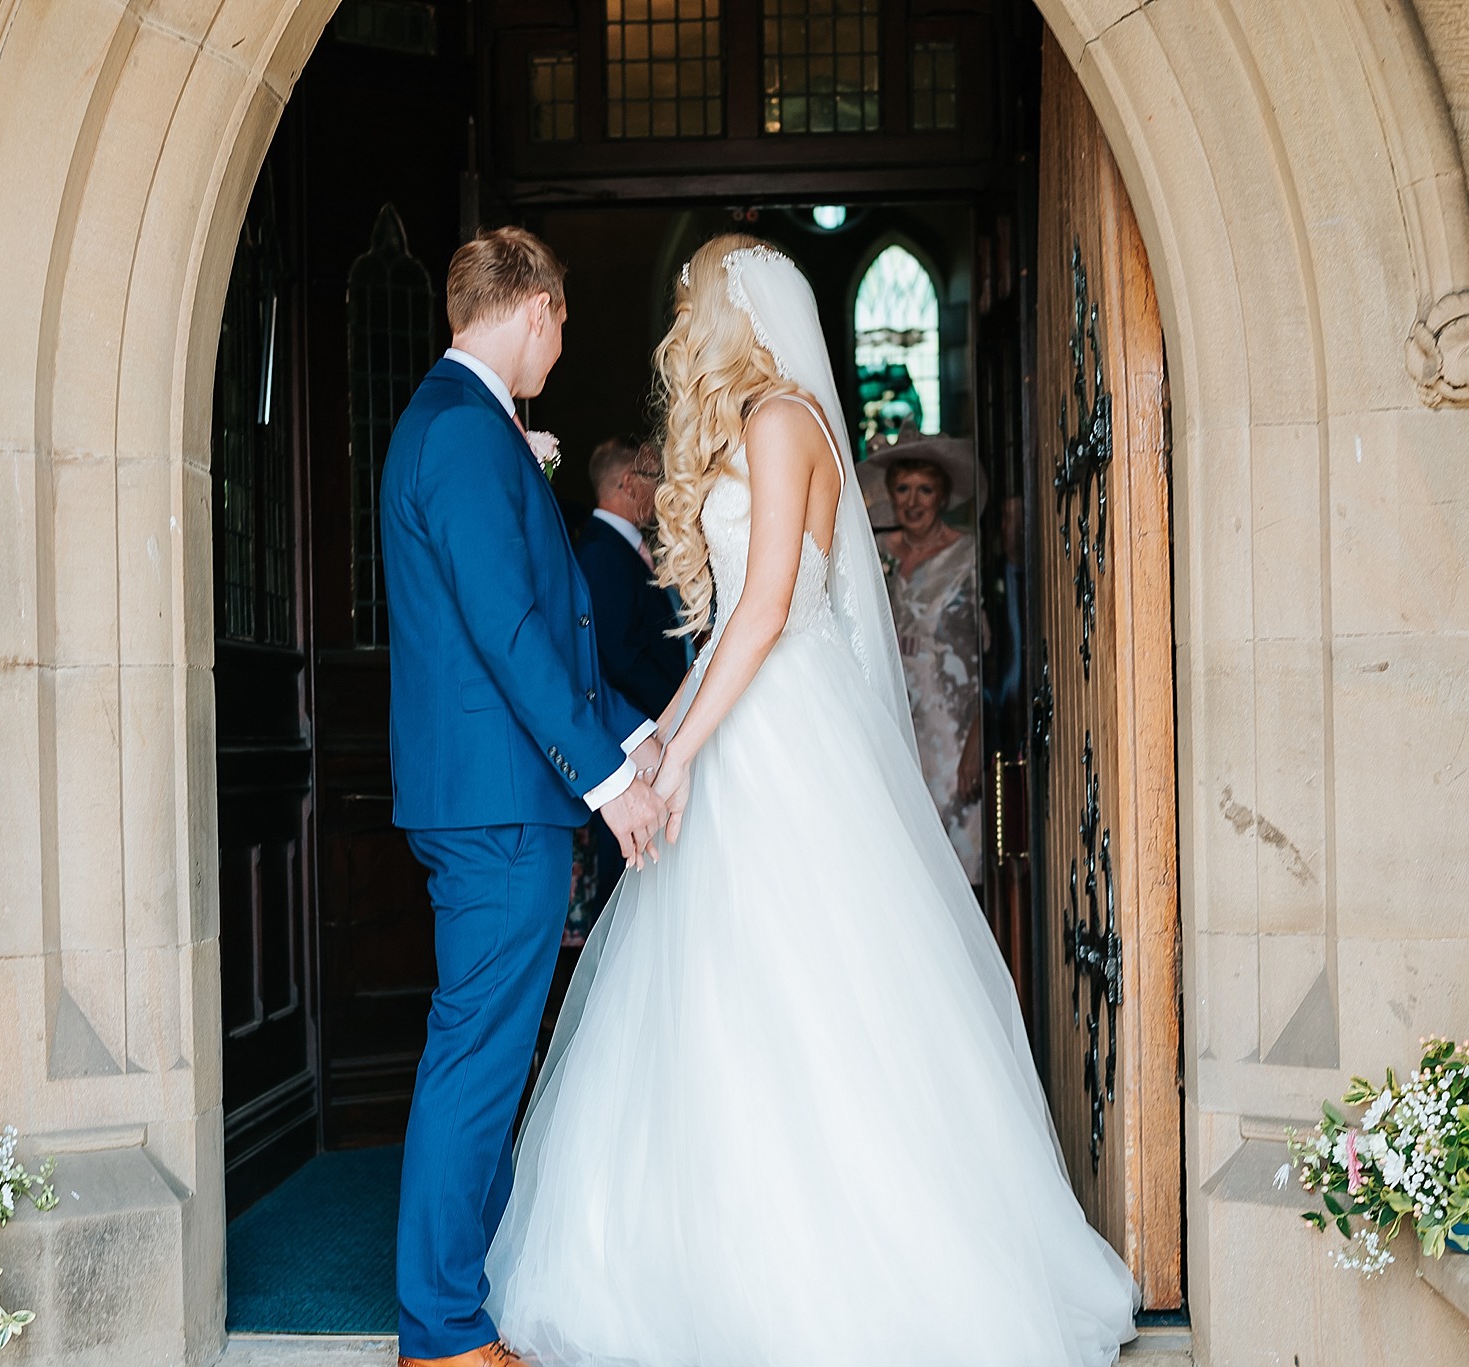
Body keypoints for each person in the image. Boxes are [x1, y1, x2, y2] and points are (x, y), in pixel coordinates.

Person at [483, 235, 1138, 1365]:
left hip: (784, 735)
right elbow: (731, 618)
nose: (679, 322)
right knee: (716, 994)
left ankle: (842, 1272)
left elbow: (771, 606)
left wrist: (688, 752)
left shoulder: (783, 421)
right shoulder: (757, 423)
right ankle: (703, 1259)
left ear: (735, 310)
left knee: (807, 987)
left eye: (690, 301)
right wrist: (660, 741)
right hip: (747, 717)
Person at [378, 226, 669, 1367]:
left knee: (488, 1051)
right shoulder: (459, 431)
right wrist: (606, 782)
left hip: (498, 791)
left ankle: (471, 1295)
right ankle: (441, 1331)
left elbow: (544, 627)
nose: (560, 341)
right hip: (495, 801)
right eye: (560, 323)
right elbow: (504, 630)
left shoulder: (470, 427)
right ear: (536, 306)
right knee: (478, 1056)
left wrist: (632, 731)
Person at [863, 424, 986, 884]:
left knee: (955, 871)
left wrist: (977, 739)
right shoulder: (875, 556)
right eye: (903, 489)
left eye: (925, 490)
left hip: (952, 738)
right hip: (891, 730)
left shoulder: (968, 557)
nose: (913, 502)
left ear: (943, 495)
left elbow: (992, 655)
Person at [573, 436, 687, 926]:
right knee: (627, 878)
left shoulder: (628, 549)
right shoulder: (601, 553)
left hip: (649, 726)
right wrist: (677, 711)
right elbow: (619, 657)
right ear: (626, 482)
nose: (660, 491)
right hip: (631, 733)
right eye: (653, 480)